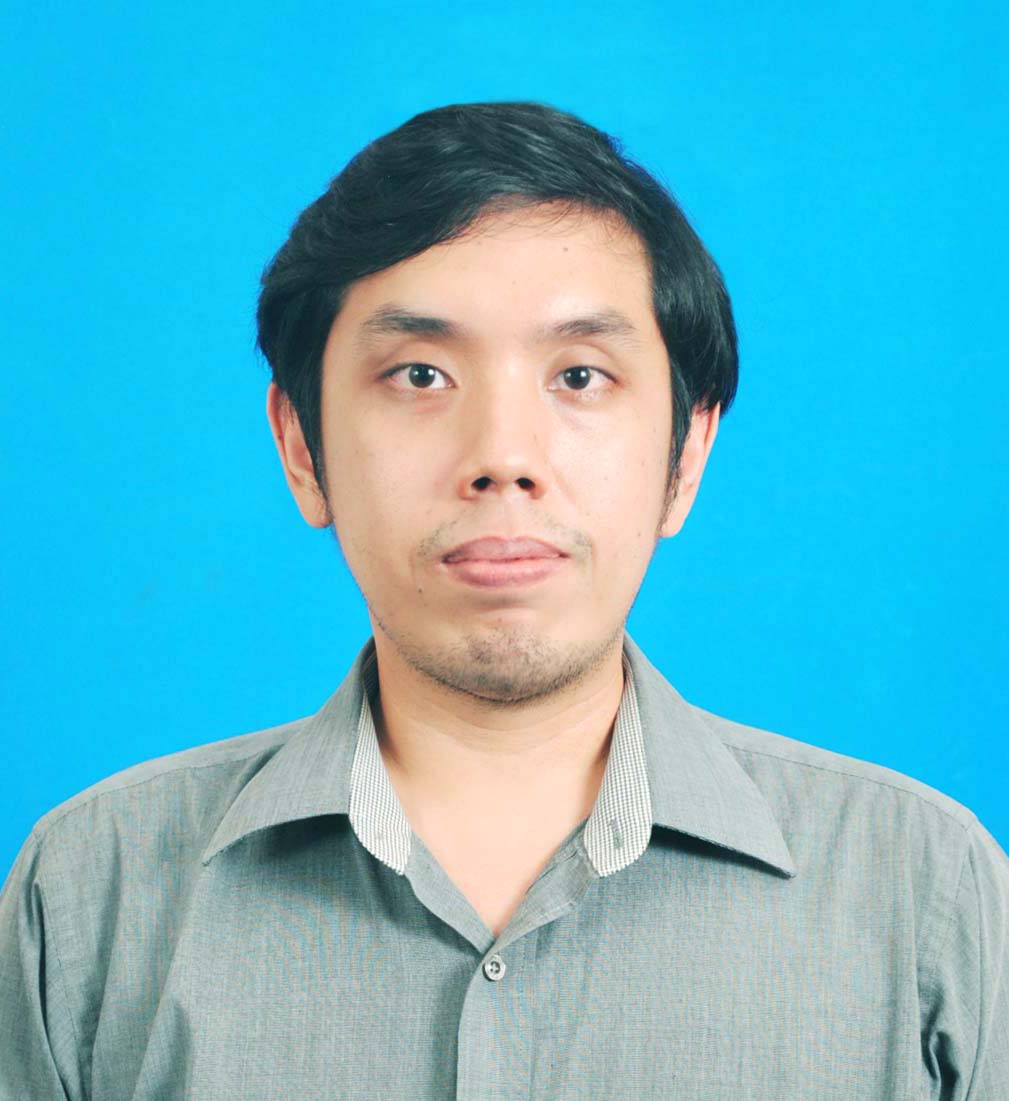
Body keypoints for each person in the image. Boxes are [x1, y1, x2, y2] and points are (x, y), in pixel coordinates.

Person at [1, 101, 1006, 1100]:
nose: (503, 456)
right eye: (420, 375)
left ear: (686, 455)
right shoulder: (90, 896)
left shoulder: (926, 896)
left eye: (579, 375)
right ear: (302, 448)